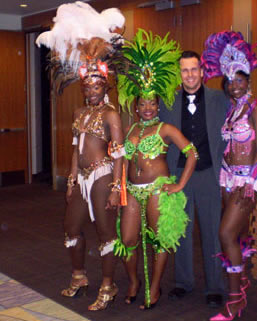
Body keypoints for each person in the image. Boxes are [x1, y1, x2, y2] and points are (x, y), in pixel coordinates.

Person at [36, 2, 131, 311]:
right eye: (86, 84)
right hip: (81, 176)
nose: (90, 89)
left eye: (95, 84)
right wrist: (71, 176)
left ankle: (108, 283)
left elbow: (119, 154)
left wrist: (117, 188)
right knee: (71, 228)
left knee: (105, 232)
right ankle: (79, 277)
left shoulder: (111, 114)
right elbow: (76, 147)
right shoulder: (78, 112)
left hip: (104, 176)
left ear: (104, 85)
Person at [113, 29, 198, 309]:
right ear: (136, 107)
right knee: (127, 239)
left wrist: (179, 184)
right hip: (133, 191)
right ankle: (135, 282)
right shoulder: (131, 128)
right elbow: (123, 159)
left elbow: (191, 153)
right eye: (142, 103)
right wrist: (120, 183)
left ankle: (155, 285)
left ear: (158, 105)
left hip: (157, 190)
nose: (147, 107)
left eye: (152, 103)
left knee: (158, 240)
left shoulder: (166, 128)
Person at [201, 30, 257, 320]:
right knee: (239, 233)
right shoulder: (232, 110)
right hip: (226, 176)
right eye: (230, 81)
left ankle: (234, 301)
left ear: (248, 80)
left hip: (248, 177)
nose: (234, 86)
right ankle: (242, 280)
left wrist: (248, 181)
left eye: (240, 80)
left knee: (226, 233)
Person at [159, 50, 230, 307]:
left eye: (193, 69)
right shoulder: (167, 102)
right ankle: (183, 282)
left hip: (209, 173)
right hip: (178, 172)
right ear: (180, 74)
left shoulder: (219, 99)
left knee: (212, 230)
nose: (189, 74)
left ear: (202, 71)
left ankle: (214, 286)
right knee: (181, 229)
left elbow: (240, 117)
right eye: (184, 70)